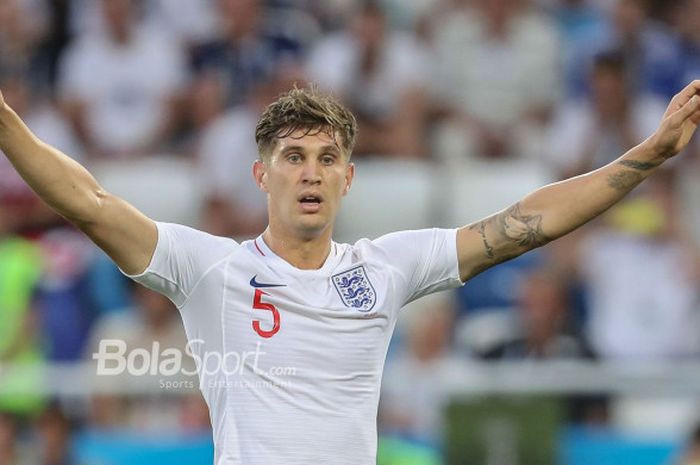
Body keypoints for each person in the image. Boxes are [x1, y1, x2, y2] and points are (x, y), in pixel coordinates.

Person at [1, 80, 700, 464]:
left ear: (348, 178)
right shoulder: (209, 269)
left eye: (327, 158)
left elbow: (526, 222)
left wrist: (649, 152)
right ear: (260, 175)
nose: (311, 172)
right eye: (294, 156)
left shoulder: (386, 267)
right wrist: (7, 125)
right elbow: (90, 204)